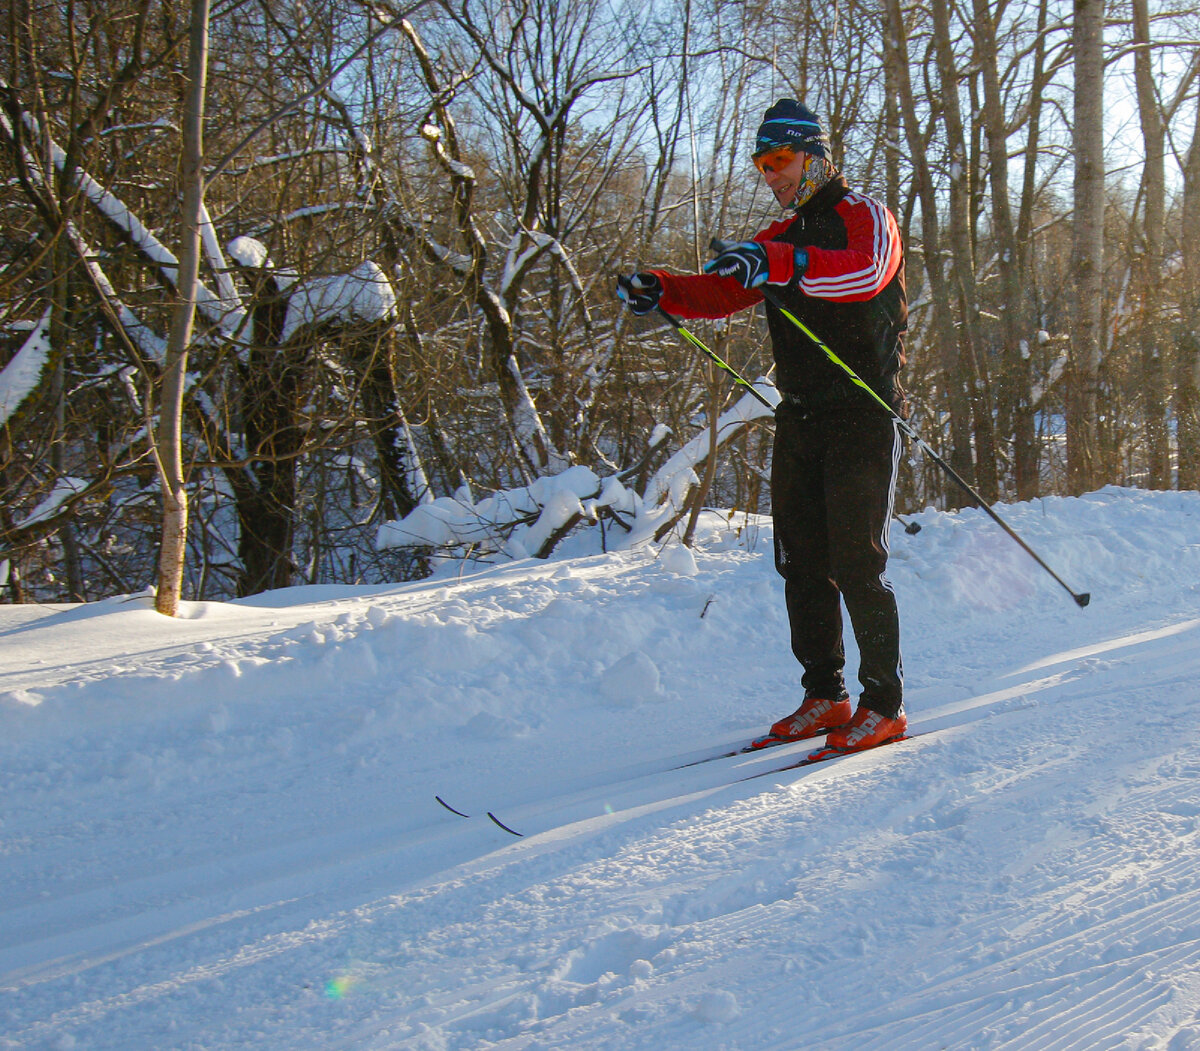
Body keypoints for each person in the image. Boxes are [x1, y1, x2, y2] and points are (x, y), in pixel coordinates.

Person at [617, 99, 908, 753]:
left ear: (815, 155)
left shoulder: (867, 218)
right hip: (801, 413)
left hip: (861, 410)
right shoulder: (779, 240)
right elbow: (722, 292)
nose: (770, 175)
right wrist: (661, 288)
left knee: (858, 561)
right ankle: (826, 695)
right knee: (801, 560)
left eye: (778, 160)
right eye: (761, 164)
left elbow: (861, 276)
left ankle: (883, 704)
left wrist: (775, 264)